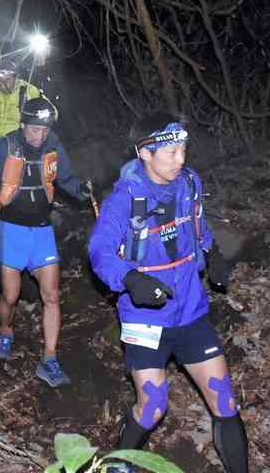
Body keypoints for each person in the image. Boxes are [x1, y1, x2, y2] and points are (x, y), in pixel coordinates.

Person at [88, 111, 248, 473]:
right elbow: (99, 252)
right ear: (144, 153)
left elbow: (199, 228)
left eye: (183, 149)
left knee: (224, 400)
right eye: (170, 152)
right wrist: (130, 279)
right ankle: (118, 463)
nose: (180, 159)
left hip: (190, 310)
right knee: (154, 404)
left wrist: (214, 254)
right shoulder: (123, 200)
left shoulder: (189, 183)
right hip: (145, 317)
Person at [0, 97, 92, 388]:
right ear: (23, 124)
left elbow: (65, 177)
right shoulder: (5, 146)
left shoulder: (53, 145)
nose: (40, 136)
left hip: (42, 230)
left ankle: (49, 359)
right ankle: (5, 330)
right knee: (11, 296)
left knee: (51, 296)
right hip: (11, 229)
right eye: (35, 129)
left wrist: (83, 192)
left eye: (45, 129)